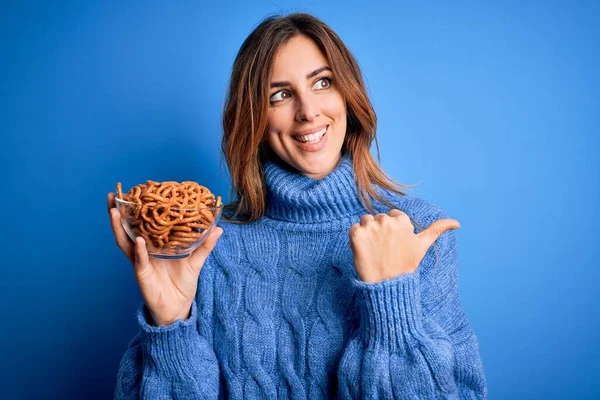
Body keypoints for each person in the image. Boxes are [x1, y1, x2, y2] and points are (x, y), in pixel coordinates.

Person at [108, 12, 488, 399]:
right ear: (253, 116)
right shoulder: (206, 244)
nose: (308, 111)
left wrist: (391, 300)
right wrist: (170, 326)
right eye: (280, 95)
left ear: (348, 95)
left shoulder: (416, 232)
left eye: (323, 82)